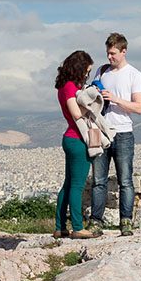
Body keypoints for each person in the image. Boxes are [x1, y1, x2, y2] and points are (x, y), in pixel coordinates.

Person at [89, 33, 141, 236]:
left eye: (113, 53)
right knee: (98, 180)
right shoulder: (101, 71)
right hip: (100, 131)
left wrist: (115, 99)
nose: (109, 57)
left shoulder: (134, 75)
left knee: (125, 180)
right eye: (107, 53)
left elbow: (139, 107)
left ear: (123, 51)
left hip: (123, 133)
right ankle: (96, 221)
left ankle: (126, 221)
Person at [54, 50, 102, 239]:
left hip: (70, 138)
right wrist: (92, 99)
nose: (86, 75)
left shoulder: (64, 85)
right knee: (76, 185)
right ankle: (77, 227)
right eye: (86, 71)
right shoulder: (69, 86)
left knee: (67, 185)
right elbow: (76, 112)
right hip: (77, 139)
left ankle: (60, 226)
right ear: (79, 68)